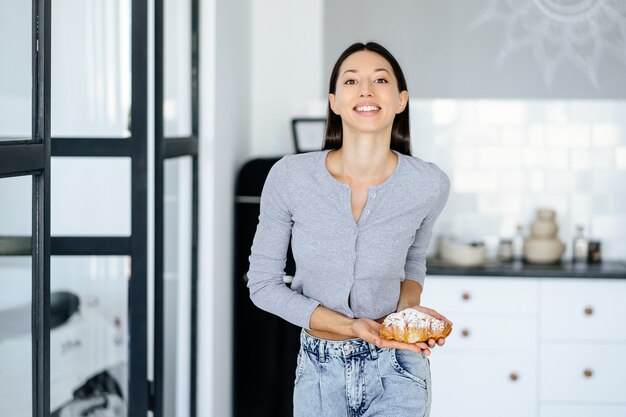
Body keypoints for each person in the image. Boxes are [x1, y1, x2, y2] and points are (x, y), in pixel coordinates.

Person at [247, 41, 451, 417]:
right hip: (319, 375)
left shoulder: (429, 184)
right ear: (334, 101)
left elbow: (413, 261)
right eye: (352, 80)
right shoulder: (290, 177)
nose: (366, 90)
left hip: (398, 371)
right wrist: (352, 326)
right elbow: (262, 286)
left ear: (401, 100)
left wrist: (406, 319)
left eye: (380, 80)